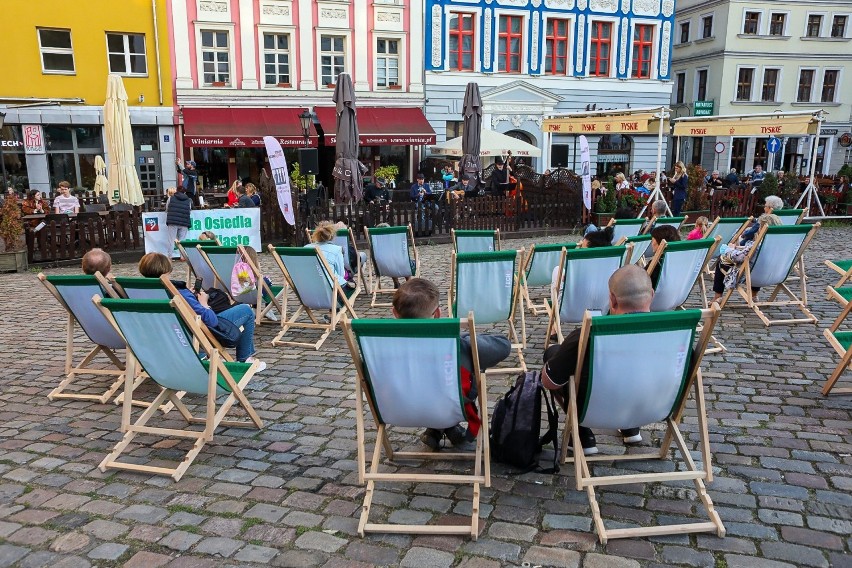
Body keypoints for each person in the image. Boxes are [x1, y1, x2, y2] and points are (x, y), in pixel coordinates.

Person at [541, 265, 656, 454]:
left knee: (554, 354)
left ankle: (582, 433)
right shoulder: (677, 334)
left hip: (595, 409)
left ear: (611, 299)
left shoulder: (586, 335)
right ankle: (630, 426)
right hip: (652, 407)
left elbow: (549, 382)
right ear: (651, 294)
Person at [391, 278, 511, 450]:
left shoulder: (379, 347)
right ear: (438, 314)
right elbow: (503, 346)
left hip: (405, 408)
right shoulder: (458, 345)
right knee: (467, 369)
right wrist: (465, 338)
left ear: (394, 313)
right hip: (452, 405)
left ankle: (437, 429)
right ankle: (446, 426)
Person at [137, 252, 266, 370]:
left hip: (166, 338)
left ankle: (247, 356)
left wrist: (191, 296)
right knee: (246, 310)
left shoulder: (138, 292)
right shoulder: (178, 292)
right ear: (166, 271)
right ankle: (245, 359)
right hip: (194, 335)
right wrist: (203, 302)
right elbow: (212, 320)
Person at [711, 213, 782, 303]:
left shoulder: (758, 245)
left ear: (763, 228)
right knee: (758, 263)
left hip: (750, 275)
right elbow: (749, 250)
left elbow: (739, 257)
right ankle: (754, 295)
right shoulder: (778, 246)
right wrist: (741, 248)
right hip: (772, 274)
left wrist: (729, 249)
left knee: (722, 262)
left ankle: (717, 296)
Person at [305, 221, 355, 289]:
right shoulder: (337, 250)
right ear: (333, 236)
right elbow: (341, 275)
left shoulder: (306, 248)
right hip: (331, 289)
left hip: (308, 288)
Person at [165, 185, 192, 259]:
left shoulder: (171, 198)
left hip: (172, 221)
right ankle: (182, 256)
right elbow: (189, 210)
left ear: (176, 190)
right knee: (182, 241)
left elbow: (167, 209)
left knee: (171, 240)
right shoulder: (189, 200)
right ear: (185, 192)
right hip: (184, 222)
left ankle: (169, 256)